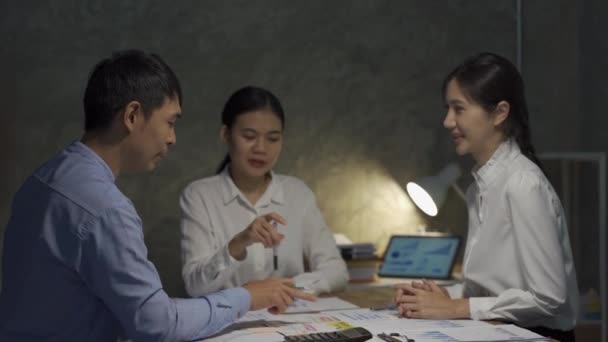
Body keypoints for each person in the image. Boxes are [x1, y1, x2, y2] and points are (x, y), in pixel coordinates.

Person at [0, 50, 315, 342]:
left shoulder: (42, 179)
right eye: (170, 122)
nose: (172, 138)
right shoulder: (106, 207)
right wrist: (247, 296)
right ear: (133, 115)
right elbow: (156, 323)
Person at [394, 53, 578, 342]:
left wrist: (457, 306)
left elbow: (548, 297)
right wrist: (443, 296)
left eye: (459, 109)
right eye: (448, 109)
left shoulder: (522, 184)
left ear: (500, 113)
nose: (447, 121)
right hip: (495, 330)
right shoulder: (479, 186)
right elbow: (491, 289)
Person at [180, 86, 348, 297]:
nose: (261, 148)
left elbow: (336, 271)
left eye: (273, 138)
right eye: (249, 136)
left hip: (289, 319)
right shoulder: (200, 195)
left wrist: (288, 288)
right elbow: (195, 287)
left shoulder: (297, 193)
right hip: (229, 322)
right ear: (226, 134)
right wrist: (238, 243)